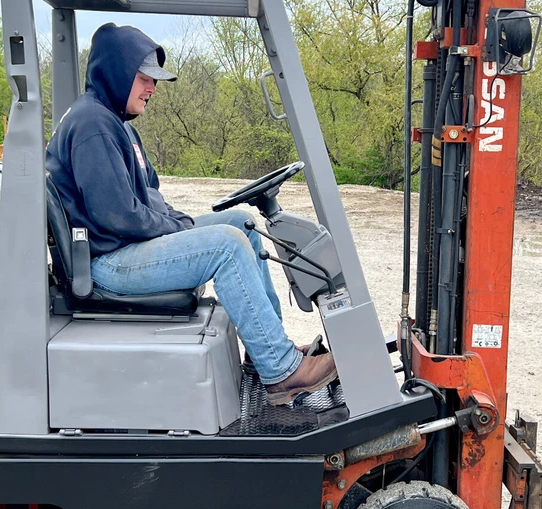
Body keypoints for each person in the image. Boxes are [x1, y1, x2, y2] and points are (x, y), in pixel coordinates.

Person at [45, 23, 337, 406]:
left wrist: (176, 222)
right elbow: (118, 216)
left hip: (124, 247)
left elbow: (150, 196)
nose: (152, 88)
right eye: (145, 78)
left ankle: (270, 352)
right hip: (108, 262)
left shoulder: (115, 123)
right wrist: (176, 226)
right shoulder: (92, 126)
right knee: (227, 245)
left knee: (241, 224)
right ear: (116, 71)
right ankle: (282, 374)